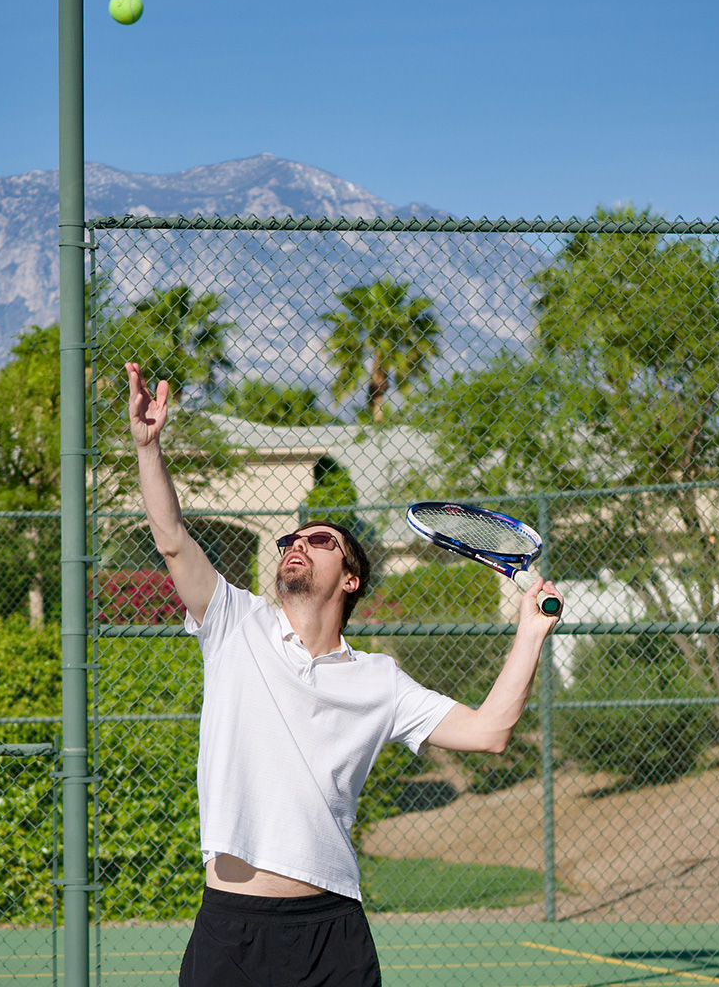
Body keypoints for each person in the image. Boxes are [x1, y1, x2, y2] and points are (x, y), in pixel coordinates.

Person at [124, 362, 563, 987]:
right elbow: (170, 537)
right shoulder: (234, 624)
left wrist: (529, 633)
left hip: (333, 929)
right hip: (232, 928)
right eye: (291, 540)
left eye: (320, 540)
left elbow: (491, 730)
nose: (296, 543)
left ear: (351, 578)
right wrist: (149, 448)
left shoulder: (379, 681)